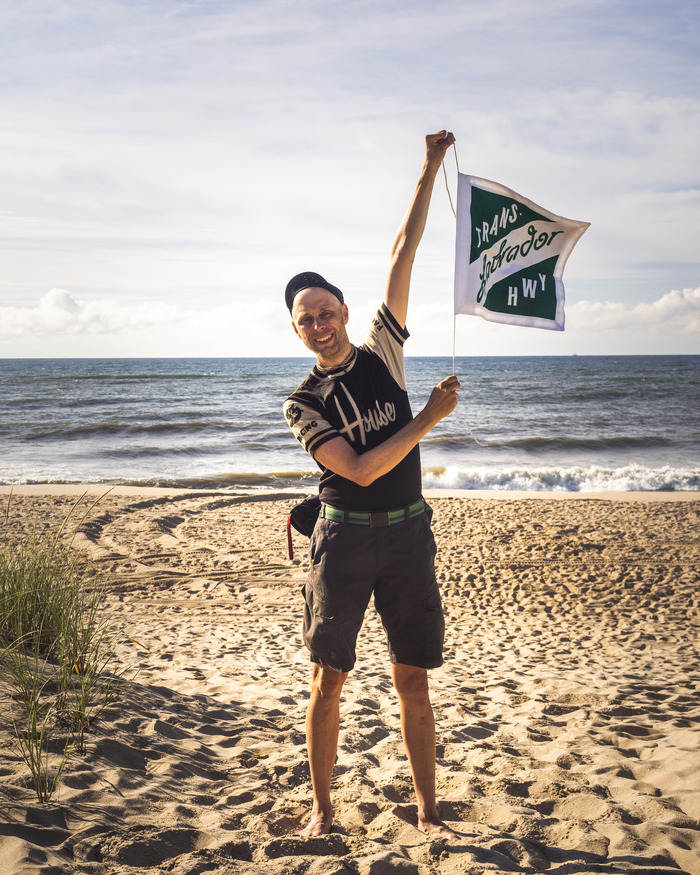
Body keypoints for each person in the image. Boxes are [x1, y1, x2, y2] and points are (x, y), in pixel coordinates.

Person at [283, 130, 460, 840]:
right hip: (344, 542)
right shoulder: (302, 402)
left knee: (412, 678)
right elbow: (357, 469)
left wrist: (429, 166)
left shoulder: (385, 348)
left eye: (327, 313)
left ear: (346, 313)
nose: (320, 326)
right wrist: (429, 419)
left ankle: (429, 812)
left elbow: (402, 250)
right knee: (329, 681)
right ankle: (323, 811)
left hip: (410, 535)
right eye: (306, 321)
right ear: (296, 331)